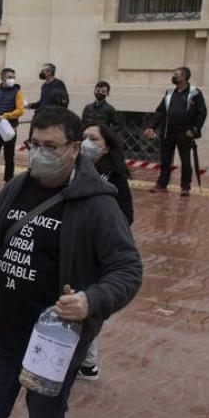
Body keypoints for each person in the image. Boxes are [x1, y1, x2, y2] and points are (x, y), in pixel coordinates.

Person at [0, 106, 143, 418]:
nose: (40, 153)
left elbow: (128, 268)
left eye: (51, 146)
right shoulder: (16, 187)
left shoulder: (99, 204)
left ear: (74, 149)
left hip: (54, 342)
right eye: (34, 144)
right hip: (2, 334)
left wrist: (92, 300)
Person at [77, 122, 134, 382]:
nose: (87, 142)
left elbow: (126, 215)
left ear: (106, 147)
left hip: (97, 250)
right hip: (78, 246)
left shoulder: (113, 175)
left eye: (94, 139)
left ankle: (86, 362)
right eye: (84, 137)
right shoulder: (78, 168)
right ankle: (86, 363)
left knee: (87, 303)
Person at [143, 67, 207, 197]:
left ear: (184, 77)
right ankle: (162, 184)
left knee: (185, 161)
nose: (174, 76)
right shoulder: (170, 92)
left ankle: (185, 187)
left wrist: (194, 129)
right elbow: (160, 111)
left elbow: (202, 113)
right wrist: (152, 127)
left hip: (185, 133)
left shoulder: (195, 93)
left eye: (176, 75)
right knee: (165, 160)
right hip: (168, 132)